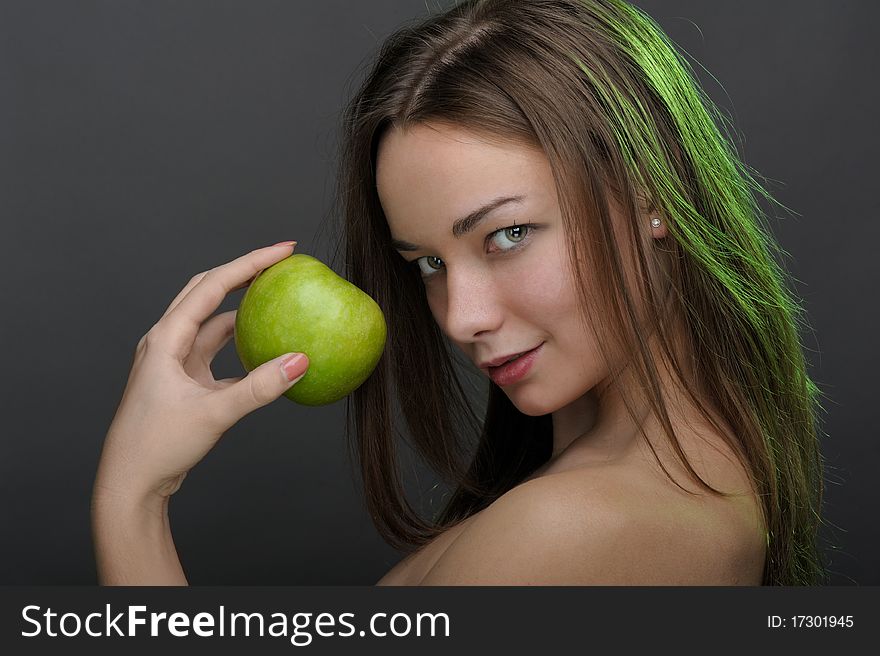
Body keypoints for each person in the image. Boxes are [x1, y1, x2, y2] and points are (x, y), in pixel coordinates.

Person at [92, 0, 827, 585]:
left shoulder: (577, 529)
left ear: (650, 194)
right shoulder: (703, 459)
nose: (460, 318)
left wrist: (131, 503)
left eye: (508, 234)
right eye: (427, 264)